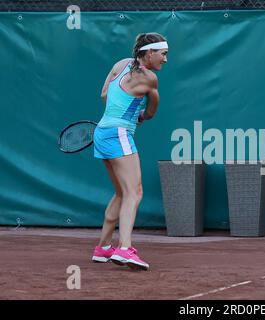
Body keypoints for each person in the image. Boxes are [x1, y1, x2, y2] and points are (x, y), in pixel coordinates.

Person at [90, 33, 168, 270]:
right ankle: (124, 249)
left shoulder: (120, 64)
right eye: (163, 54)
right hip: (120, 135)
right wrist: (139, 115)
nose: (165, 59)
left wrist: (126, 108)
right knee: (135, 192)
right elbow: (152, 112)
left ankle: (103, 247)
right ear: (149, 53)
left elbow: (105, 95)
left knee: (121, 193)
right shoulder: (150, 79)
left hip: (102, 132)